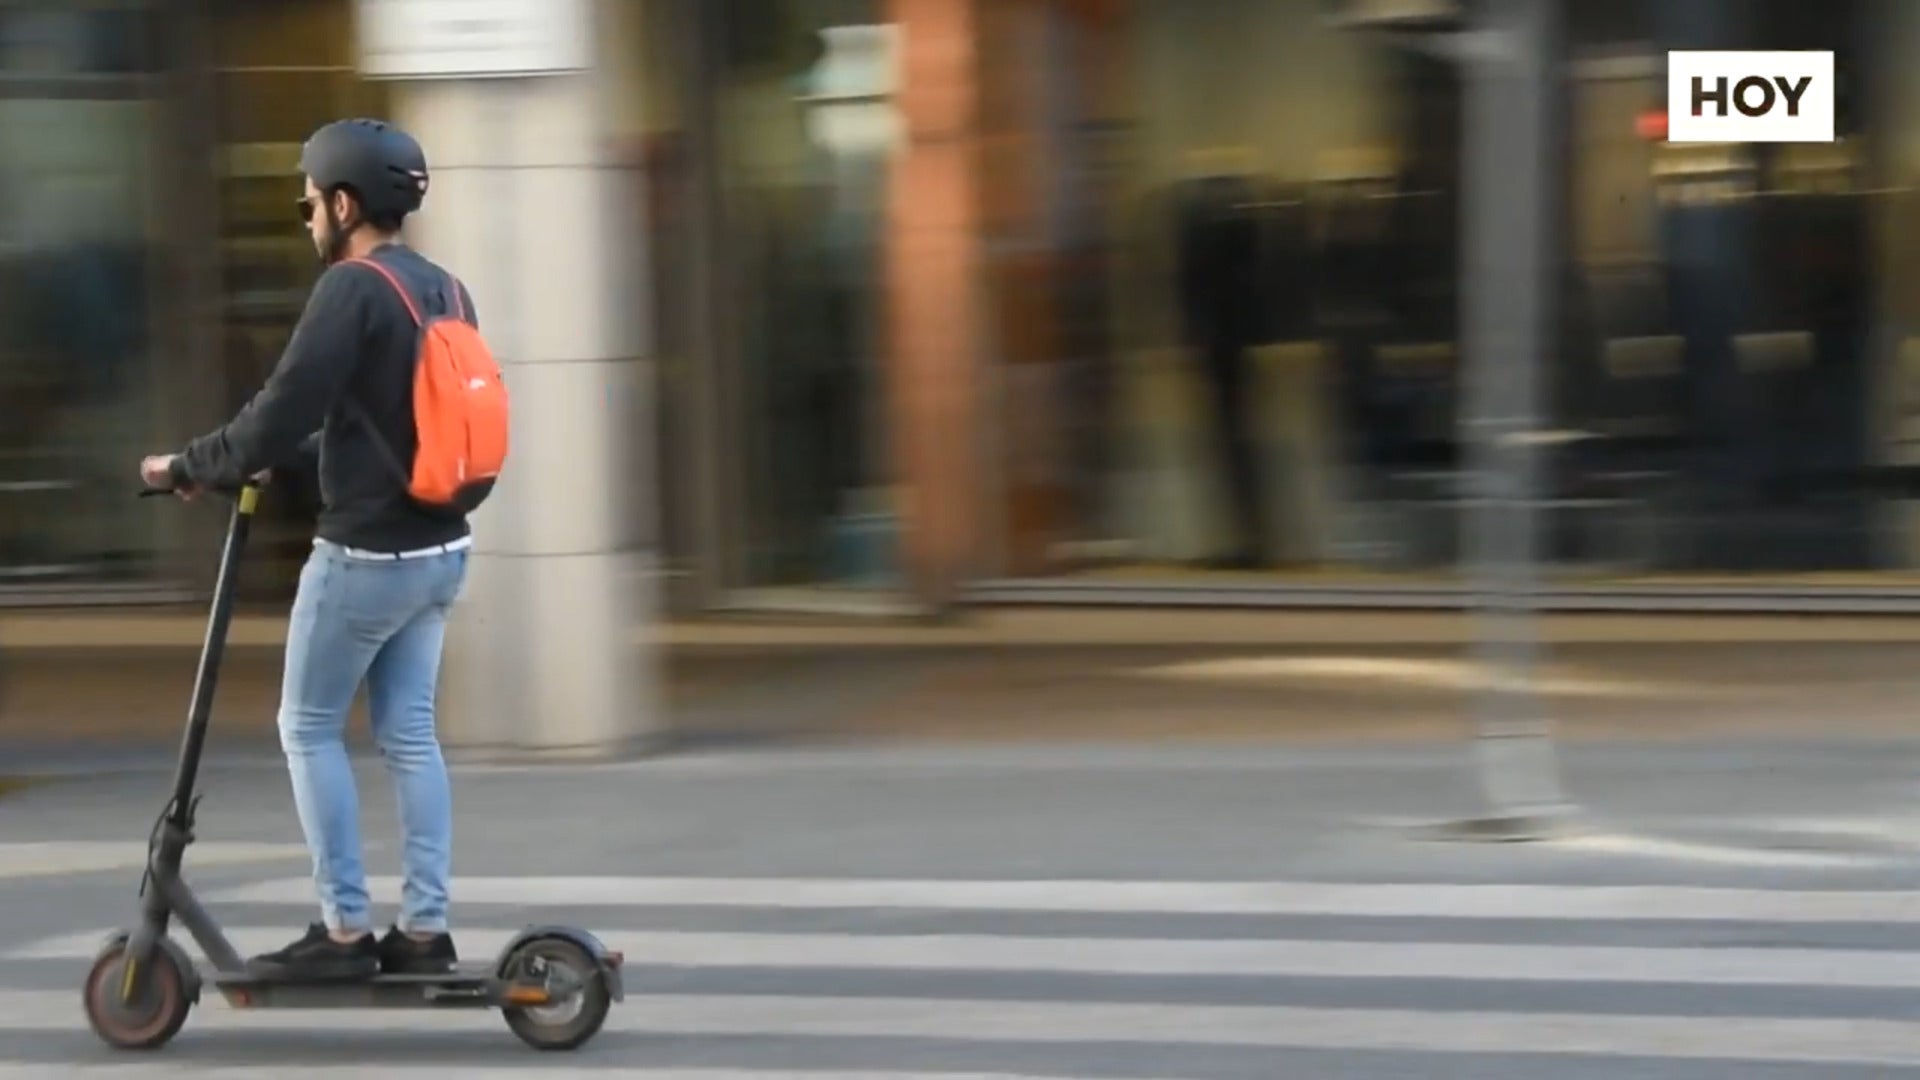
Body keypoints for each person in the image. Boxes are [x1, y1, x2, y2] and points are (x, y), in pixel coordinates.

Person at [139, 118, 476, 981]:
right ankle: (427, 931)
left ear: (344, 202)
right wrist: (265, 460)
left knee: (309, 726)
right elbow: (371, 417)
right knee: (409, 736)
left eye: (309, 203)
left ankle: (344, 932)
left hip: (364, 560)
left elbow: (284, 405)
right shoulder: (443, 288)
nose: (307, 219)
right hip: (441, 550)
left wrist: (191, 464)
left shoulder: (351, 289)